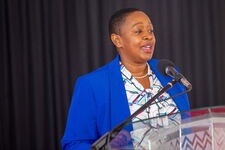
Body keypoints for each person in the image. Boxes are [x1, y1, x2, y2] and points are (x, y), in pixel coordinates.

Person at [61, 8, 190, 150]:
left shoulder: (168, 73)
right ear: (117, 40)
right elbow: (73, 144)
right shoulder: (93, 84)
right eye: (138, 31)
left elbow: (188, 128)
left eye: (150, 31)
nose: (148, 36)